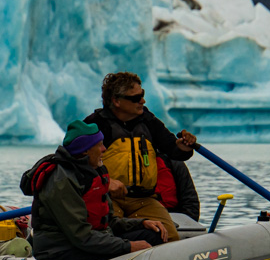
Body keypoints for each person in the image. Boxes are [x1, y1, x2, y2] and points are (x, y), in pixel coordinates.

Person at [20, 120, 167, 260]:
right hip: (61, 252)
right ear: (84, 151)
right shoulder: (61, 181)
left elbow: (109, 222)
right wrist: (128, 246)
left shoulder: (93, 170)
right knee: (132, 251)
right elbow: (81, 236)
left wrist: (142, 223)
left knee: (152, 234)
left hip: (89, 242)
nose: (104, 149)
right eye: (100, 145)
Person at [84, 72, 197, 241]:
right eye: (136, 98)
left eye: (142, 95)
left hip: (144, 199)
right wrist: (105, 183)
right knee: (109, 236)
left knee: (170, 237)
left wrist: (184, 146)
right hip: (107, 198)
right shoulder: (95, 125)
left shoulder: (148, 122)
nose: (142, 101)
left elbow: (173, 149)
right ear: (116, 101)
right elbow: (75, 165)